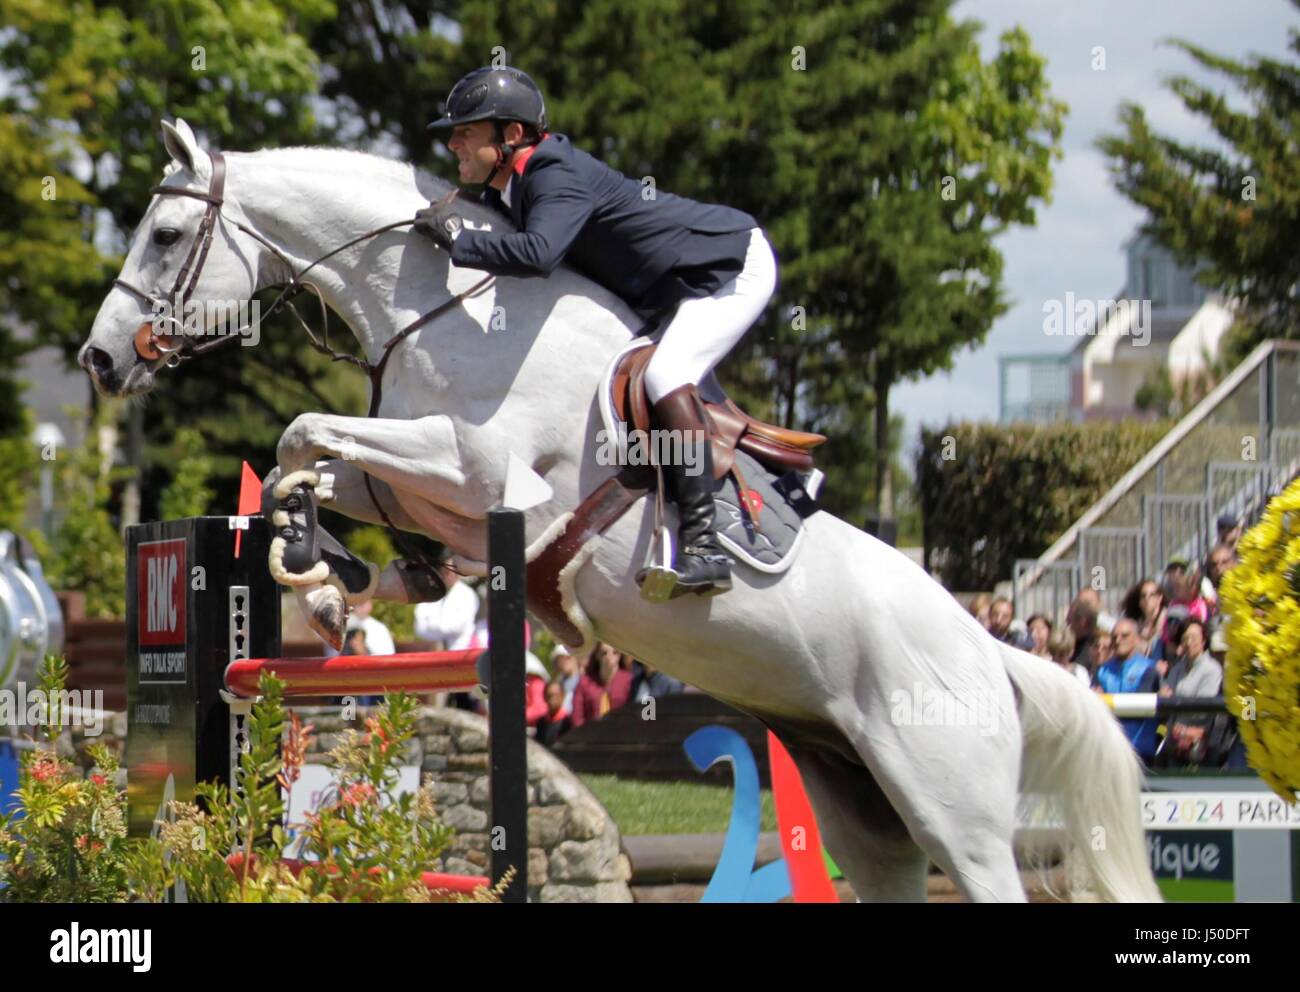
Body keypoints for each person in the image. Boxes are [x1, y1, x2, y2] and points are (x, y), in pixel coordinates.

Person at [421, 66, 777, 599]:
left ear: (511, 135)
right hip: (669, 289)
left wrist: (459, 242)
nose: (453, 143)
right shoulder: (516, 185)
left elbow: (539, 255)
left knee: (666, 374)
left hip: (725, 268)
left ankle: (705, 547)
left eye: (465, 131)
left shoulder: (553, 173)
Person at [1158, 620, 1227, 766]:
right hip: (1175, 740)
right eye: (1185, 639)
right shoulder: (1178, 668)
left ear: (1203, 642)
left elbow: (1248, 711)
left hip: (1207, 742)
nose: (1189, 643)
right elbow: (1164, 697)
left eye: (1194, 638)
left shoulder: (1215, 670)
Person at [1092, 618, 1160, 763]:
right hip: (1109, 751)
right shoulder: (1103, 670)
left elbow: (1138, 710)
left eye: (1124, 635)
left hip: (1139, 751)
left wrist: (1105, 700)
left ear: (1136, 639)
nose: (1118, 640)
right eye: (1114, 636)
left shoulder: (1148, 670)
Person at [570, 642, 632, 728]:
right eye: (604, 653)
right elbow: (577, 717)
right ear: (597, 655)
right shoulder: (585, 682)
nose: (609, 656)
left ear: (620, 654)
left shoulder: (629, 680)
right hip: (591, 736)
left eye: (615, 652)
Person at [534, 680, 572, 748]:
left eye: (556, 695)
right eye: (549, 695)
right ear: (544, 697)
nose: (552, 699)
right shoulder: (541, 722)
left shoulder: (568, 722)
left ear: (563, 696)